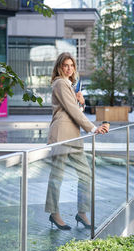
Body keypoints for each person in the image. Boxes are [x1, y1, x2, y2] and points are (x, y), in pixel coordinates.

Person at [45, 52, 109, 230]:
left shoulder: (70, 85)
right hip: (61, 135)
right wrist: (93, 128)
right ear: (59, 67)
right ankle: (54, 213)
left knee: (85, 173)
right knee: (57, 176)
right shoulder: (60, 83)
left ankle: (82, 212)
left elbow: (76, 109)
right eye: (65, 65)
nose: (69, 68)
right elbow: (72, 111)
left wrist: (82, 102)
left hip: (73, 136)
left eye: (71, 65)